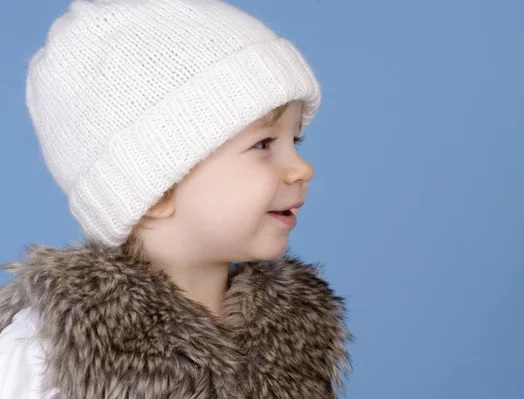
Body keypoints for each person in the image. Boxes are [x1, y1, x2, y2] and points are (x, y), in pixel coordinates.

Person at [0, 0, 353, 397]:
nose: (302, 168)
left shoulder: (294, 338)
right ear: (157, 189)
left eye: (296, 139)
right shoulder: (43, 355)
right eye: (264, 143)